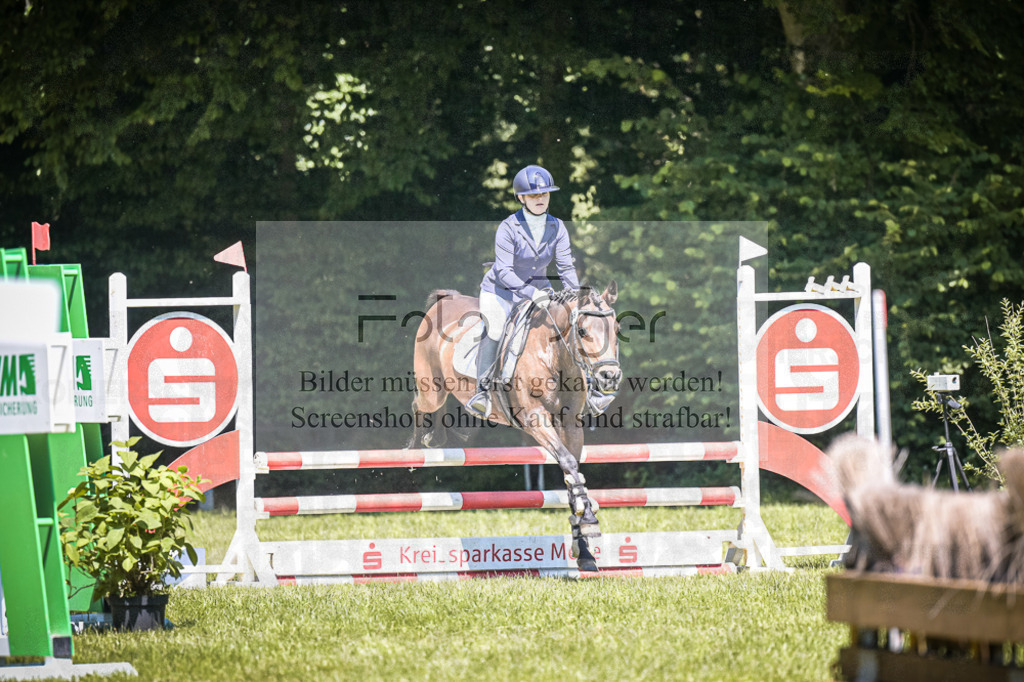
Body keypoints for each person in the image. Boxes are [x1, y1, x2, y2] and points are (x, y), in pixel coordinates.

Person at [467, 164, 581, 418]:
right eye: (533, 195)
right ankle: (482, 393)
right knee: (496, 327)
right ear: (521, 198)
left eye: (544, 194)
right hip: (502, 291)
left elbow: (565, 267)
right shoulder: (508, 228)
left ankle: (585, 390)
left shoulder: (558, 227)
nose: (540, 199)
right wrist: (531, 293)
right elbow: (505, 271)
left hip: (540, 291)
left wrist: (577, 297)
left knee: (566, 327)